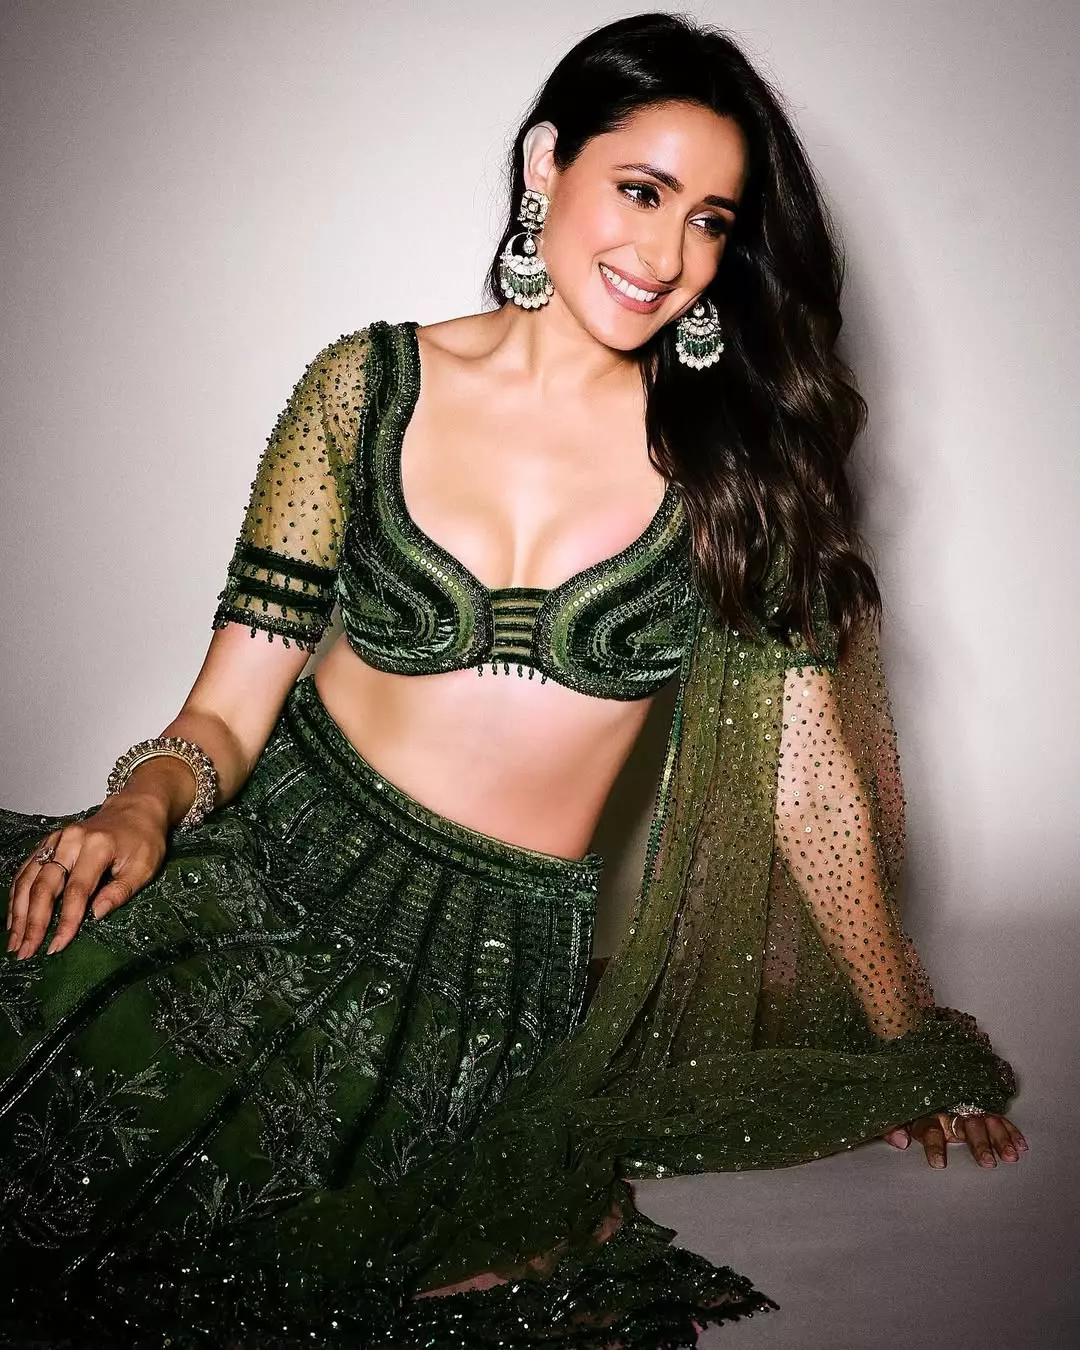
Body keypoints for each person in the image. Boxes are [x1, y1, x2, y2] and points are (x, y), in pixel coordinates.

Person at [0, 12, 1025, 1348]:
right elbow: (228, 706)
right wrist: (143, 803)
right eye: (641, 191)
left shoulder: (733, 469)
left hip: (487, 973)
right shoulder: (363, 388)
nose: (665, 254)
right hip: (270, 871)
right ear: (549, 164)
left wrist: (902, 1034)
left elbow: (807, 784)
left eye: (709, 221)